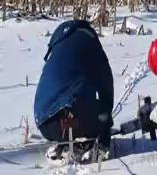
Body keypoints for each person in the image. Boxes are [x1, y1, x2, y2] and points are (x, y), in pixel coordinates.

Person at [34, 20, 114, 161]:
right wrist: (106, 119)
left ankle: (62, 140)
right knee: (96, 114)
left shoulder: (57, 49)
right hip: (80, 120)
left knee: (64, 102)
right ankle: (102, 145)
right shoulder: (90, 45)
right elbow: (106, 83)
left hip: (45, 124)